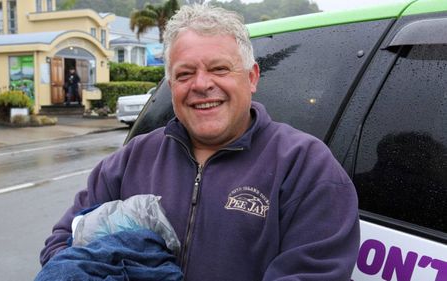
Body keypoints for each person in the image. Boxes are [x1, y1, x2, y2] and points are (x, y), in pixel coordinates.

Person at [40, 4, 360, 280]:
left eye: (219, 69)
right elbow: (61, 244)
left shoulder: (306, 166)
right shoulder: (131, 159)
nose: (202, 84)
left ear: (252, 77)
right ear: (171, 85)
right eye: (184, 74)